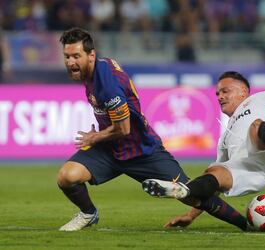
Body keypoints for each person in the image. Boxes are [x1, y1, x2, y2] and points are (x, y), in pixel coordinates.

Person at [142, 39, 265, 230]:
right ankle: (185, 191)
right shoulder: (225, 137)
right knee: (212, 172)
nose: (220, 96)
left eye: (225, 91)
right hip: (245, 173)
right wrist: (190, 215)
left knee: (256, 126)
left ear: (243, 91)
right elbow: (214, 186)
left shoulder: (260, 99)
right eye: (217, 93)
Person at [56, 27, 190, 231]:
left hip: (140, 149)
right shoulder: (95, 71)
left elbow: (124, 129)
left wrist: (95, 137)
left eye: (76, 56)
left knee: (192, 193)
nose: (70, 62)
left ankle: (235, 210)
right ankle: (88, 214)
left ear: (91, 55)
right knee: (67, 176)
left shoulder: (107, 84)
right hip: (110, 148)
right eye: (67, 56)